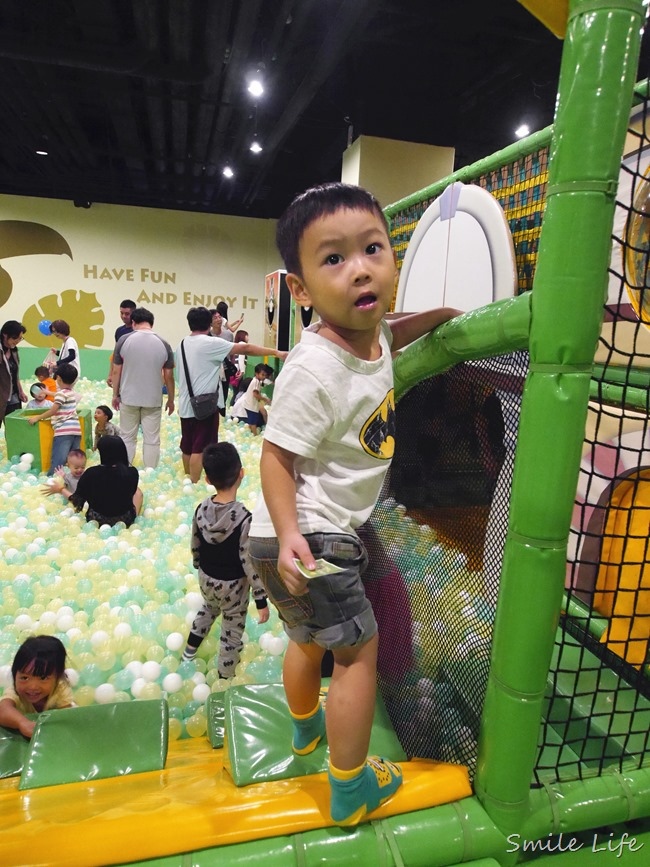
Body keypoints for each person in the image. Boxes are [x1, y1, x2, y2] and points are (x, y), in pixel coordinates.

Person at [248, 182, 461, 827]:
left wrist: (445, 315)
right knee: (355, 655)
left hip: (289, 537)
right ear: (302, 288)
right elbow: (275, 457)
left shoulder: (372, 337)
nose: (361, 268)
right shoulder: (314, 367)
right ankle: (350, 789)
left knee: (308, 642)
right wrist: (291, 535)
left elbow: (393, 326)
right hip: (308, 535)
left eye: (373, 248)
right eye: (334, 259)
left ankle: (307, 733)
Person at [181, 442, 270, 677]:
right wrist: (261, 599)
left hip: (206, 578)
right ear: (241, 473)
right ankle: (224, 680)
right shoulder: (244, 519)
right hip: (233, 588)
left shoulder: (201, 509)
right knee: (231, 632)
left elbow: (195, 542)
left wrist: (198, 564)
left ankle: (188, 653)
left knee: (208, 609)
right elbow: (249, 563)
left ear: (208, 480)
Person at [175, 306, 286, 483]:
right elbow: (246, 348)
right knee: (199, 448)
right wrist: (276, 352)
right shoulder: (210, 343)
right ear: (208, 323)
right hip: (205, 405)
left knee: (187, 446)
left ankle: (187, 478)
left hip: (186, 403)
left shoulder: (182, 343)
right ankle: (194, 483)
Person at [110, 307, 175, 469]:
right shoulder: (164, 344)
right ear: (151, 323)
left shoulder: (123, 340)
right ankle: (150, 471)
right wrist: (172, 399)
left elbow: (116, 371)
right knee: (152, 439)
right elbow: (169, 376)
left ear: (133, 322)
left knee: (127, 437)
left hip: (128, 397)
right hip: (153, 399)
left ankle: (125, 468)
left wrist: (115, 394)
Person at [0, 636, 73, 738]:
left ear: (57, 677)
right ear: (15, 674)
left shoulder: (60, 690)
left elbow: (66, 719)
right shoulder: (16, 692)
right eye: (24, 678)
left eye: (43, 678)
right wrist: (22, 723)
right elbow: (2, 709)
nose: (32, 687)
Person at [70, 435, 143, 527]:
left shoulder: (91, 473)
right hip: (124, 520)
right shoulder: (131, 472)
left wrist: (61, 489)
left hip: (96, 520)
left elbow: (78, 498)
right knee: (138, 492)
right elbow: (131, 493)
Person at [27, 363, 81, 475]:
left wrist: (38, 417)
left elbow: (53, 410)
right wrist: (47, 392)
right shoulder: (70, 393)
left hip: (64, 431)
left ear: (59, 379)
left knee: (58, 460)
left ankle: (51, 479)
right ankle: (72, 480)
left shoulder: (61, 394)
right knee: (74, 460)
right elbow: (59, 394)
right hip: (76, 430)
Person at [0, 320, 27, 427]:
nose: (18, 341)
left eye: (20, 338)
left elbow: (15, 374)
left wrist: (20, 391)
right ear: (5, 335)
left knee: (15, 428)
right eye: (15, 338)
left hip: (13, 396)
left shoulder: (14, 351)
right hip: (1, 395)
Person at [107, 299, 136, 386]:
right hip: (120, 372)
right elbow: (115, 354)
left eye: (127, 314)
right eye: (121, 313)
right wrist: (111, 374)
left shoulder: (138, 331)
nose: (124, 316)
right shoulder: (119, 331)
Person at [241, 363, 273, 435]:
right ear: (256, 374)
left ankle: (251, 433)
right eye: (262, 375)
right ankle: (255, 435)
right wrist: (265, 399)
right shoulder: (256, 382)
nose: (264, 377)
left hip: (248, 405)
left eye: (265, 375)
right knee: (253, 422)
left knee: (251, 421)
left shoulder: (256, 380)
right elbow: (255, 394)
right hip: (251, 406)